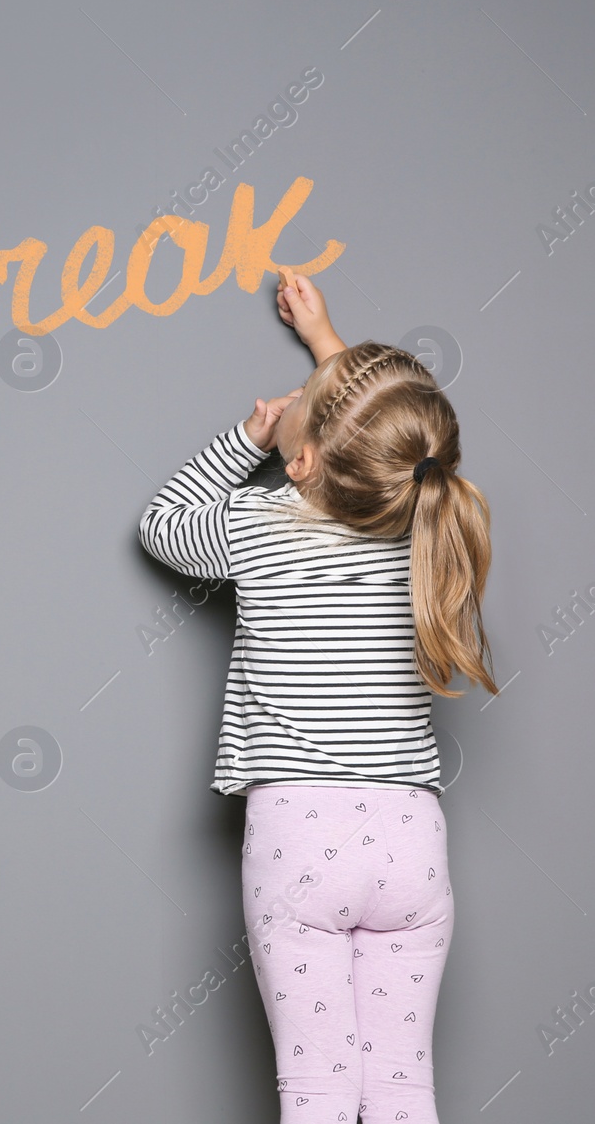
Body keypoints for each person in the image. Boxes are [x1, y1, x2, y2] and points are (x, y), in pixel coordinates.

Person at [137, 268, 499, 1123]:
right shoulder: (421, 524)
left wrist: (244, 438)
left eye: (302, 399)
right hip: (412, 843)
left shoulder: (258, 523)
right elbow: (390, 439)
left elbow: (161, 523)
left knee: (321, 1092)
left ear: (300, 460)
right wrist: (330, 346)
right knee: (405, 1086)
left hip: (301, 839)